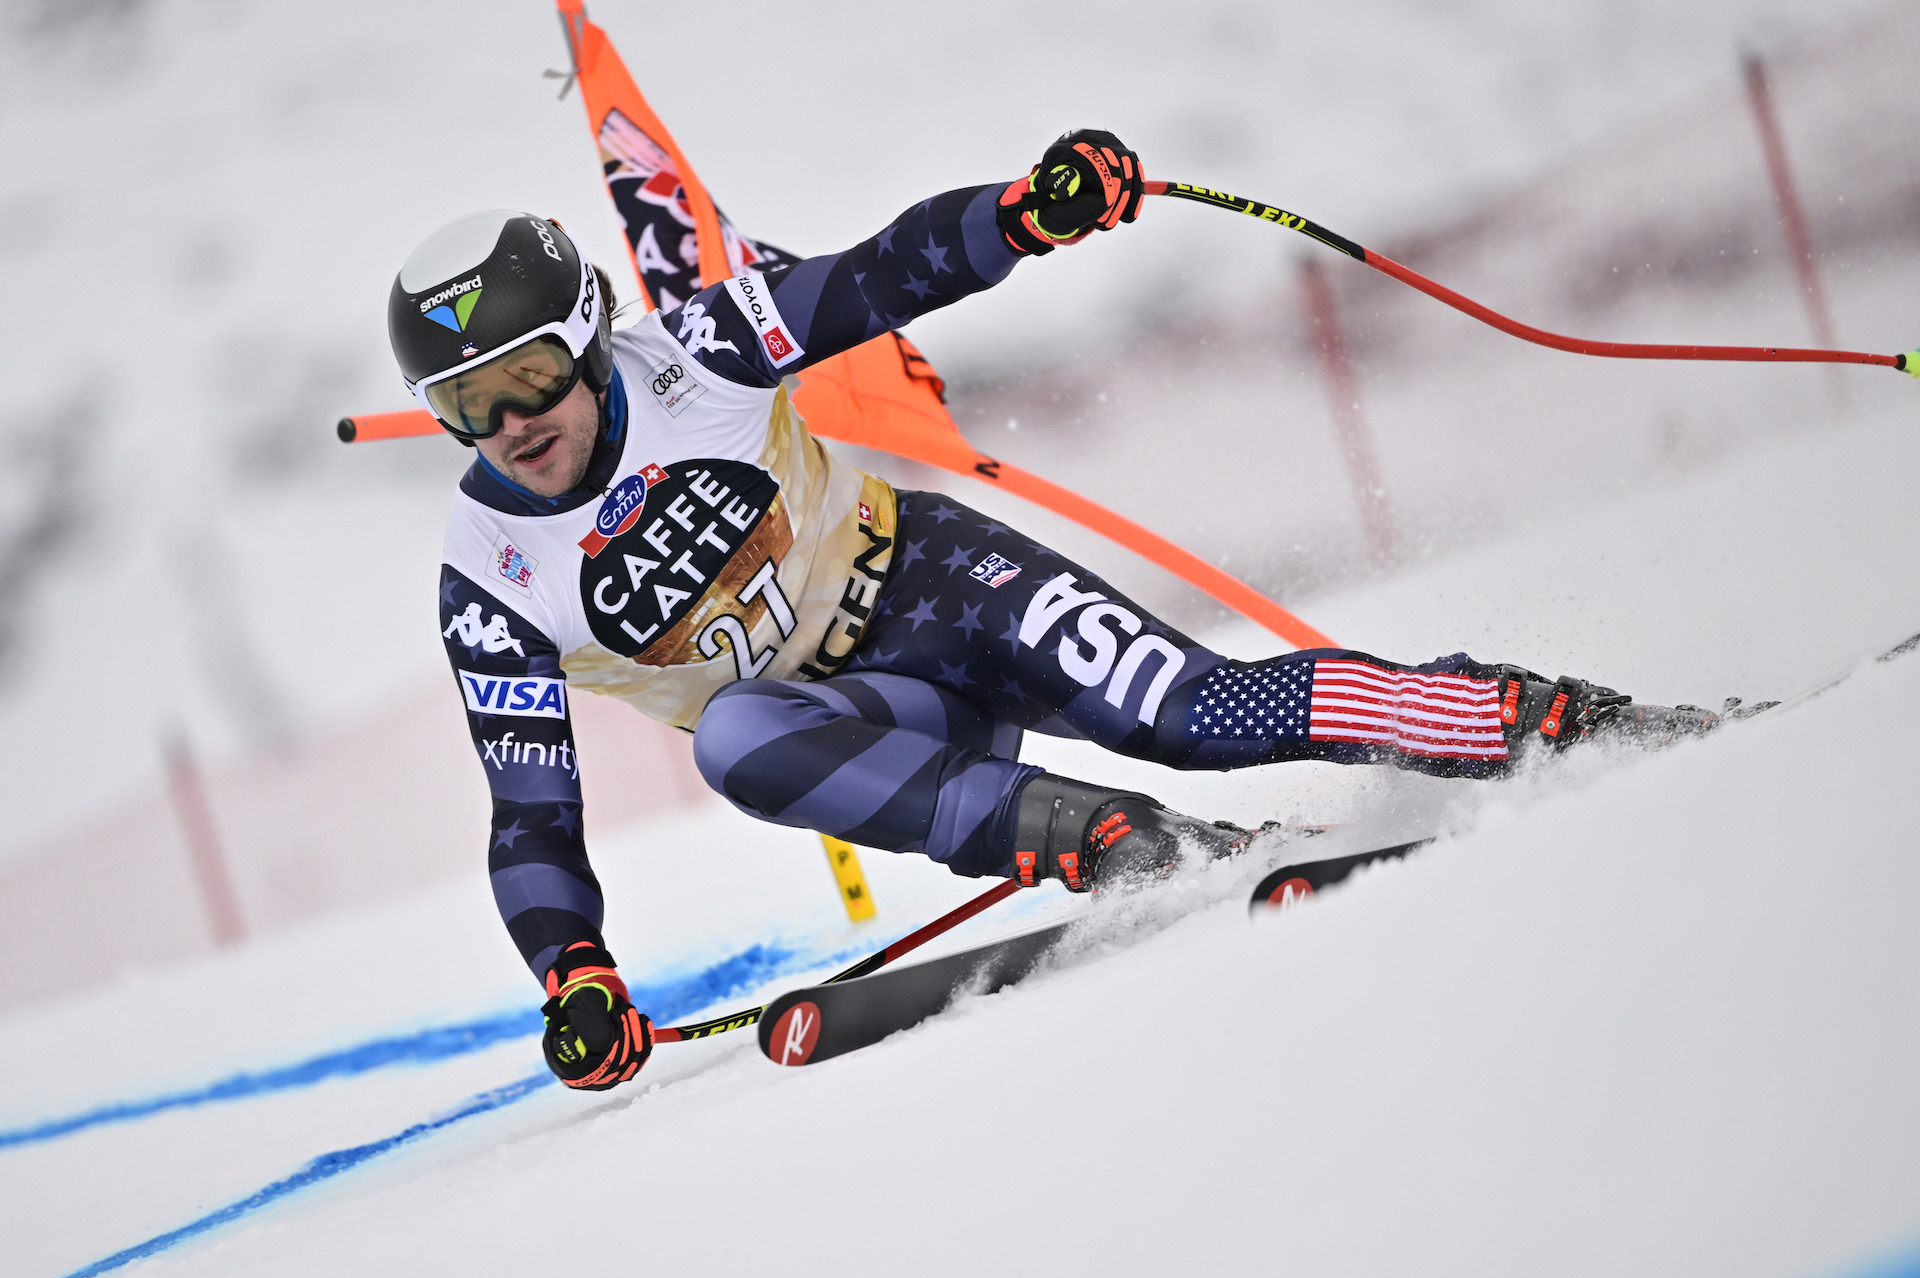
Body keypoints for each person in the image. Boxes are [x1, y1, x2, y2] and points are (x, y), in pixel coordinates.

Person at [391, 130, 1707, 1093]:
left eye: (530, 378)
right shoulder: (488, 576)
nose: (514, 427)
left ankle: (1509, 710)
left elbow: (878, 276)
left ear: (586, 330)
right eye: (467, 405)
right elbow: (532, 813)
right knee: (735, 739)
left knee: (1196, 710)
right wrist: (574, 971)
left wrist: (1025, 215)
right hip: (864, 717)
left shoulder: (698, 349)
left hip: (947, 589)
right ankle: (1114, 841)